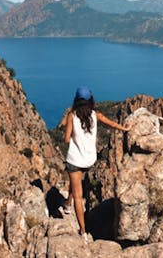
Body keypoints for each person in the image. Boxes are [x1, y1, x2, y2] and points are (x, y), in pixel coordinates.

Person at [61, 86, 130, 241]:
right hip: (89, 160)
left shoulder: (72, 116)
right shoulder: (95, 115)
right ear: (90, 100)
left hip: (75, 160)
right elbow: (111, 124)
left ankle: (83, 232)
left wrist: (71, 130)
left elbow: (66, 140)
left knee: (78, 195)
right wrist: (125, 128)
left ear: (76, 101)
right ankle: (67, 203)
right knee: (76, 181)